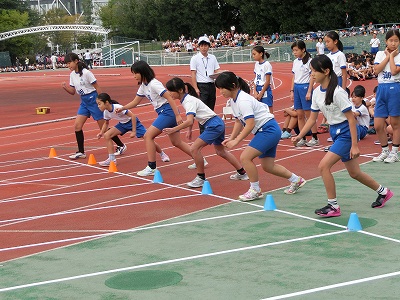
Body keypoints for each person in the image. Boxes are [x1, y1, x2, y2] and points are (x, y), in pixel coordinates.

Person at [291, 54, 393, 217]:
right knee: (354, 173)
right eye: (310, 72)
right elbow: (312, 119)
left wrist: (354, 145)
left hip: (346, 132)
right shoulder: (317, 93)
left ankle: (333, 206)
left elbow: (352, 120)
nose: (312, 75)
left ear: (325, 71)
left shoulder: (338, 92)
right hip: (336, 132)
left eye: (314, 72)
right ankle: (384, 192)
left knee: (323, 166)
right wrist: (300, 136)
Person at [215, 71, 306, 201]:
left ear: (233, 85)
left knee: (245, 158)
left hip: (268, 129)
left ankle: (255, 190)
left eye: (222, 88)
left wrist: (236, 141)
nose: (221, 92)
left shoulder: (243, 100)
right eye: (219, 89)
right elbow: (238, 121)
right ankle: (296, 180)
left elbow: (250, 124)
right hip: (267, 130)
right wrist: (232, 137)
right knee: (268, 166)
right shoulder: (233, 101)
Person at [164, 77, 248, 188]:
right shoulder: (187, 100)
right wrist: (189, 130)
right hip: (216, 123)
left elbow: (189, 120)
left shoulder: (188, 101)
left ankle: (200, 178)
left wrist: (174, 129)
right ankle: (242, 173)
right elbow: (192, 118)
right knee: (220, 151)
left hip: (214, 124)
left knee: (194, 149)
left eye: (171, 91)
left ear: (180, 90)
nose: (169, 94)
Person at [115, 60, 194, 176]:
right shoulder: (143, 86)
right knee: (176, 142)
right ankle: (200, 159)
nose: (134, 76)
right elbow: (135, 102)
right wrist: (123, 108)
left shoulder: (154, 84)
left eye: (135, 73)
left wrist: (177, 115)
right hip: (165, 113)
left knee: (148, 136)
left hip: (167, 112)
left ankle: (151, 167)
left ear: (142, 72)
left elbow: (170, 98)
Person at [61, 53, 125, 160]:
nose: (68, 66)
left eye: (69, 63)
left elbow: (97, 87)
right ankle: (81, 151)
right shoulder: (72, 75)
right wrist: (65, 87)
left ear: (76, 61)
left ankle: (121, 145)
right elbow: (72, 91)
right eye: (66, 64)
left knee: (103, 128)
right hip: (84, 101)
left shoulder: (87, 73)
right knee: (77, 126)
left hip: (94, 100)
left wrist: (102, 102)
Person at [96, 92, 170, 166]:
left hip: (133, 123)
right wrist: (101, 132)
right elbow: (106, 123)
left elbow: (133, 116)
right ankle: (112, 159)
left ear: (106, 102)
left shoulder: (117, 107)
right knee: (107, 135)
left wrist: (134, 131)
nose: (98, 106)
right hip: (122, 124)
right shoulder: (106, 112)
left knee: (147, 138)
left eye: (99, 104)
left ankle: (162, 154)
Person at [372, 29, 400, 163]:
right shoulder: (379, 54)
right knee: (378, 124)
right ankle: (384, 151)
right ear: (386, 41)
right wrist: (388, 57)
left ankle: (394, 152)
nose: (393, 43)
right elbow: (376, 70)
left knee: (395, 124)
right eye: (391, 40)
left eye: (396, 40)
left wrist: (391, 57)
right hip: (381, 88)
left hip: (394, 87)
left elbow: (394, 71)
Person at [290, 40, 319, 147]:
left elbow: (312, 77)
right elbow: (294, 77)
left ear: (303, 49)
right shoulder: (295, 62)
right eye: (293, 50)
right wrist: (292, 90)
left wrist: (309, 91)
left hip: (305, 87)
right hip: (297, 88)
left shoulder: (309, 61)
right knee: (300, 115)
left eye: (296, 50)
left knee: (309, 115)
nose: (295, 52)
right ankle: (302, 137)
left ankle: (315, 137)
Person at [190, 36, 220, 134]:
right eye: (201, 45)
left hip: (211, 85)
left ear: (209, 46)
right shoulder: (195, 58)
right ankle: (203, 131)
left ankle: (210, 128)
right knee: (201, 110)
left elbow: (216, 71)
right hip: (201, 86)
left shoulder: (213, 57)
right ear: (199, 46)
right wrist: (195, 88)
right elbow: (193, 74)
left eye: (205, 45)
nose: (203, 48)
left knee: (211, 108)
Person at [252, 46, 274, 112]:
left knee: (268, 110)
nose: (253, 56)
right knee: (259, 111)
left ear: (261, 54)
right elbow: (256, 78)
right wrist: (255, 91)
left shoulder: (266, 65)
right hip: (257, 89)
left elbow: (267, 81)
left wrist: (261, 93)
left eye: (254, 54)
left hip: (265, 90)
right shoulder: (256, 64)